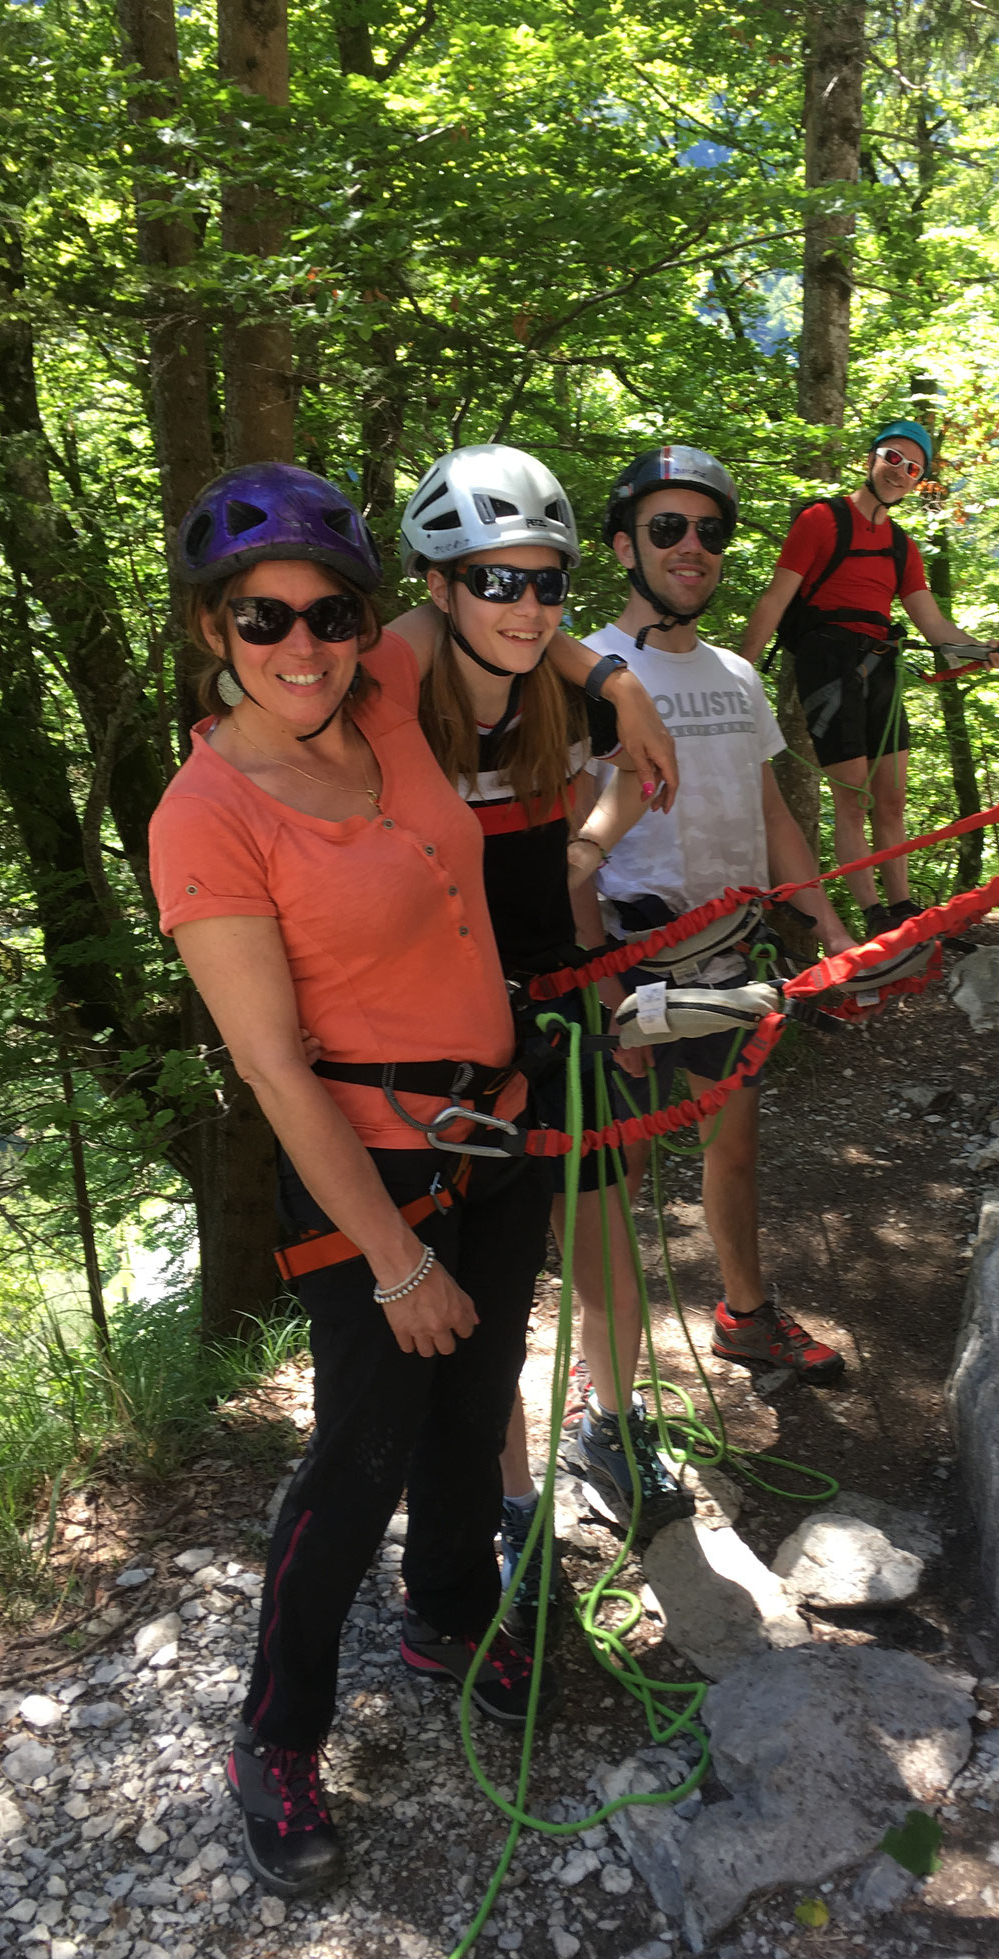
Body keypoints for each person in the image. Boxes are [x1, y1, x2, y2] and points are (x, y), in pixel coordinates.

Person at [149, 464, 670, 1899]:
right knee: (362, 1450)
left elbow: (501, 610)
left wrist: (607, 678)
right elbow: (272, 1069)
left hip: (492, 1125)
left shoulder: (375, 699)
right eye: (262, 620)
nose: (300, 642)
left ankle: (448, 1613)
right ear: (214, 631)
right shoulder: (208, 818)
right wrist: (391, 1256)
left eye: (326, 612)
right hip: (372, 1167)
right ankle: (276, 1733)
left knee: (475, 1389)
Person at [386, 444, 695, 1619]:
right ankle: (512, 1493)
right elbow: (401, 643)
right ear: (442, 581)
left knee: (605, 1233)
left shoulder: (560, 689)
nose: (528, 606)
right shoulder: (398, 691)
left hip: (556, 995)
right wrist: (607, 670)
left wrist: (587, 845)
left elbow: (631, 777)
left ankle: (613, 1428)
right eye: (496, 581)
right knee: (491, 1282)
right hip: (450, 1022)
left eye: (547, 583)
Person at [585, 444, 854, 1389]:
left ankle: (745, 1315)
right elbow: (557, 835)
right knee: (609, 1178)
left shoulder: (738, 676)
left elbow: (771, 809)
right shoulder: (585, 673)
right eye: (667, 528)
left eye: (709, 530)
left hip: (727, 953)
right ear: (625, 546)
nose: (691, 546)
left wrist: (828, 923)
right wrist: (597, 971)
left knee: (731, 1147)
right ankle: (604, 1371)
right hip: (620, 951)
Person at [739, 420, 999, 937]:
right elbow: (776, 599)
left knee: (892, 797)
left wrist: (979, 649)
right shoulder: (821, 520)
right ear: (871, 459)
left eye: (914, 468)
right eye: (893, 458)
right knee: (852, 797)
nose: (901, 472)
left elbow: (933, 624)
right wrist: (739, 674)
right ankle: (873, 912)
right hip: (828, 665)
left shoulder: (903, 547)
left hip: (880, 664)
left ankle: (901, 907)